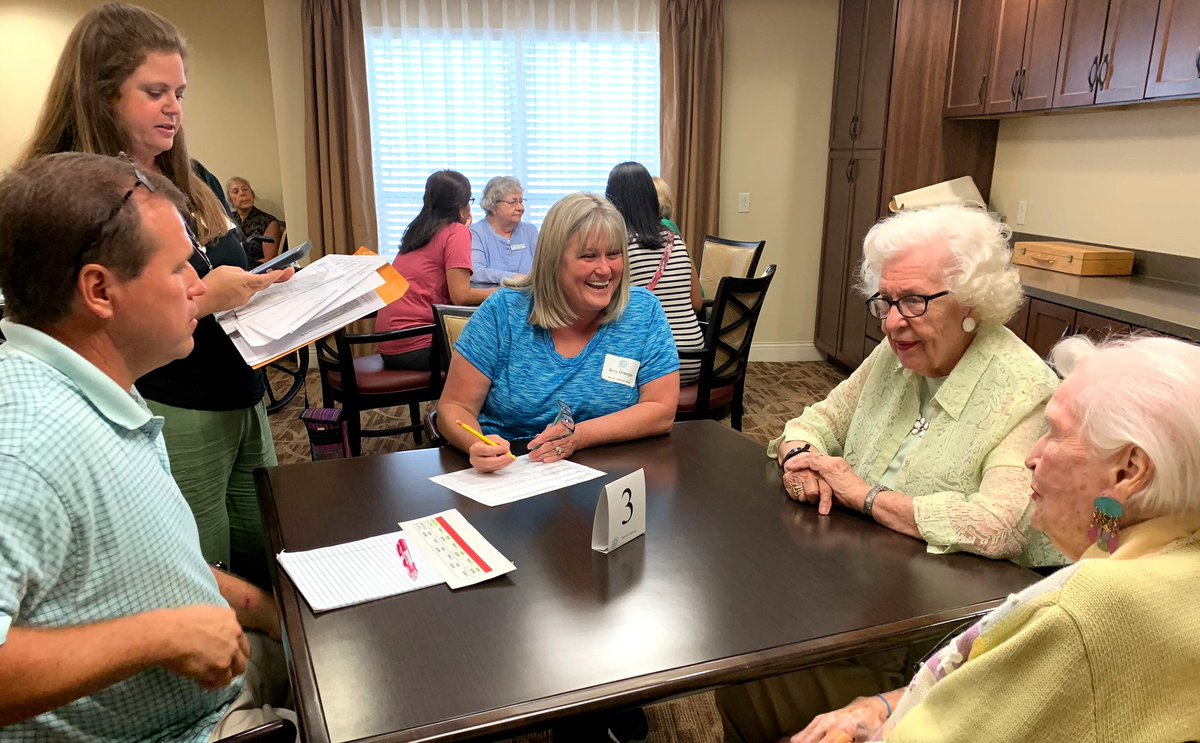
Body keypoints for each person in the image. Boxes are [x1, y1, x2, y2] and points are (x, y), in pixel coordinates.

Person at [718, 204, 1065, 743]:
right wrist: (798, 459)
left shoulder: (1024, 391)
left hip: (928, 635)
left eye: (914, 301)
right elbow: (815, 421)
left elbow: (999, 525)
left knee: (754, 667)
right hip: (851, 587)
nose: (892, 321)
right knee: (742, 641)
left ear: (972, 300)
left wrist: (864, 495)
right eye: (886, 301)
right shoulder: (895, 353)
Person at [0, 151, 294, 741]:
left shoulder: (97, 390)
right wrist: (157, 637)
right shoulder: (25, 443)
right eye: (181, 267)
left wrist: (269, 610)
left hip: (215, 689)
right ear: (100, 291)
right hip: (185, 729)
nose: (198, 287)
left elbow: (142, 564)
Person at [791, 334, 1200, 742]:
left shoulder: (1077, 611)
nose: (1032, 456)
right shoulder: (1161, 549)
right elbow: (1102, 539)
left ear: (1129, 471)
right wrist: (881, 706)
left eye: (1055, 434)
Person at [18, 2, 292, 591]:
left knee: (271, 551)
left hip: (242, 391)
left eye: (180, 92)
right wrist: (205, 300)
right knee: (198, 570)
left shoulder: (193, 178)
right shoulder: (69, 196)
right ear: (102, 94)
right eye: (155, 91)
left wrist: (264, 293)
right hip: (172, 403)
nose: (174, 107)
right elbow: (77, 325)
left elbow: (222, 272)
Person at [437, 192, 680, 473]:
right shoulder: (503, 311)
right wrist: (475, 444)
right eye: (589, 256)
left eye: (613, 254)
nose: (605, 269)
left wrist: (578, 436)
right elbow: (454, 407)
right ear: (553, 261)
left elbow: (661, 410)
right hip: (510, 475)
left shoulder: (643, 311)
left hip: (611, 473)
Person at [375, 170, 494, 370]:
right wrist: (505, 292)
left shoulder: (418, 230)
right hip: (419, 344)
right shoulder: (456, 232)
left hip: (391, 343)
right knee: (501, 354)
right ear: (461, 205)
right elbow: (460, 296)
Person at [606, 162, 703, 384]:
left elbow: (607, 308)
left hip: (655, 364)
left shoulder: (619, 247)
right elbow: (696, 303)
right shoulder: (675, 240)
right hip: (695, 358)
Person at [470, 175, 538, 284]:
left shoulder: (530, 231)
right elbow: (476, 272)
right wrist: (514, 278)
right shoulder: (476, 233)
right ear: (493, 206)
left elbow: (544, 269)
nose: (521, 208)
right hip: (489, 299)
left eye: (521, 201)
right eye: (513, 202)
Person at [226, 176, 283, 265]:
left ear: (252, 194)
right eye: (236, 191)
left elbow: (269, 260)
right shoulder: (227, 220)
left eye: (245, 189)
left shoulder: (268, 222)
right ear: (230, 200)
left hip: (256, 271)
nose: (242, 193)